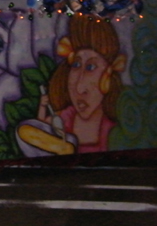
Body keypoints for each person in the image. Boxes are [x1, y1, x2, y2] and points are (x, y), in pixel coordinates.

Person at [38, 14, 125, 153]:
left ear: (107, 78)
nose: (79, 88)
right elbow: (40, 134)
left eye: (91, 67)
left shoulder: (116, 131)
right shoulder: (61, 121)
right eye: (76, 64)